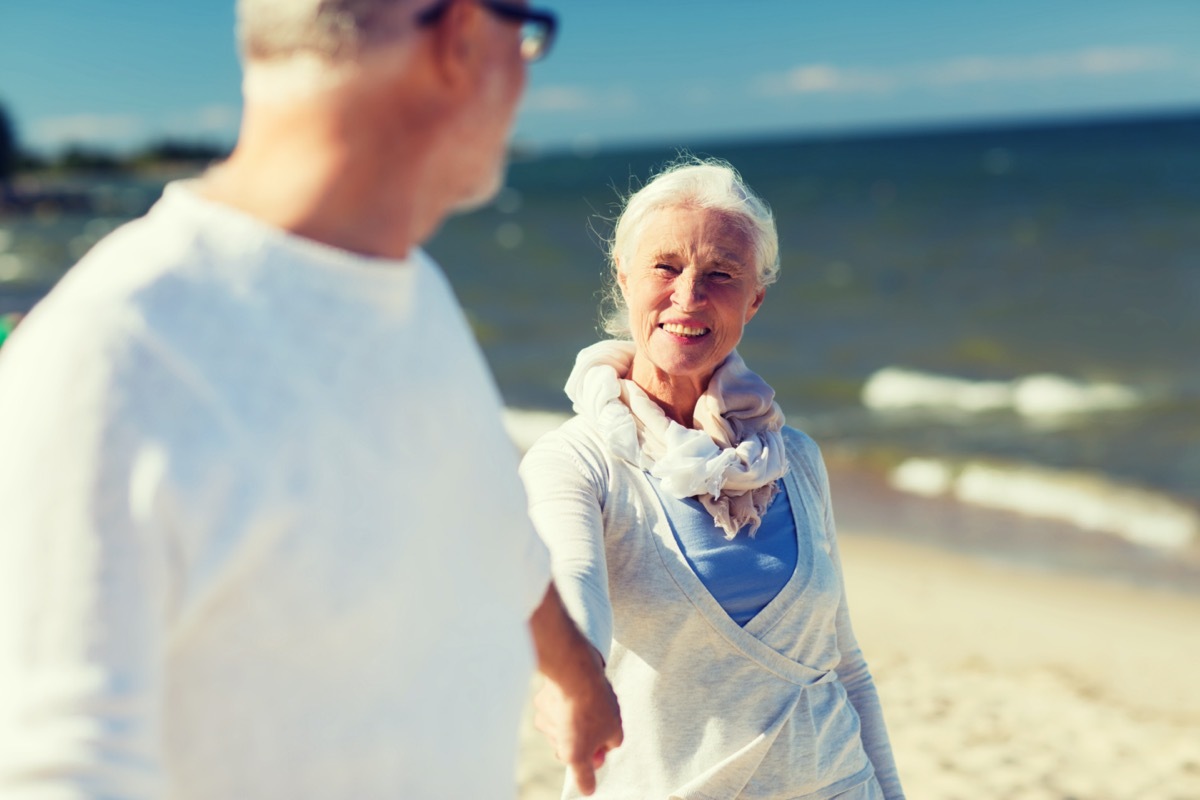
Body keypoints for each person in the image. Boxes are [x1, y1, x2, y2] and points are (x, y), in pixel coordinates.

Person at [0, 1, 621, 797]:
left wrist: (577, 681)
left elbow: (496, 530)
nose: (530, 70)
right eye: (529, 33)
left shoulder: (414, 296)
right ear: (462, 38)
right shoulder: (113, 361)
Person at [520, 158, 905, 799]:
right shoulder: (578, 461)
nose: (689, 296)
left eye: (721, 274)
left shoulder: (794, 458)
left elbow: (844, 667)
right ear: (624, 277)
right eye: (665, 267)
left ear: (754, 299)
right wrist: (573, 677)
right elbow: (571, 578)